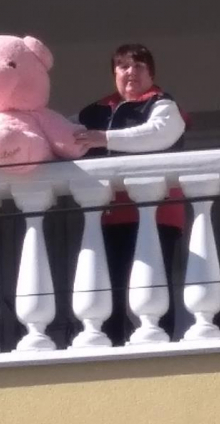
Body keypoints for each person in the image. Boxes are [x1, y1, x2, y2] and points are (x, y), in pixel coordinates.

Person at [74, 44, 187, 344]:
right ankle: (111, 343)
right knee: (109, 285)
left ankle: (162, 344)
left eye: (139, 66)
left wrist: (104, 138)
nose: (131, 72)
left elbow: (159, 133)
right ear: (114, 73)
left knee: (154, 283)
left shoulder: (162, 105)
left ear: (151, 74)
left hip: (158, 211)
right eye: (124, 66)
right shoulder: (96, 111)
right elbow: (63, 134)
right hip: (109, 214)